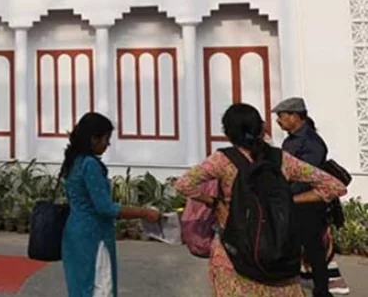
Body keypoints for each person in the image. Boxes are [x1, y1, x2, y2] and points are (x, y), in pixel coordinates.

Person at [175, 103, 346, 297]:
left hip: (233, 255)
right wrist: (291, 200)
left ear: (228, 132)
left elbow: (183, 184)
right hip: (278, 253)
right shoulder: (282, 159)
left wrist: (213, 202)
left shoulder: (222, 160)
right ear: (260, 127)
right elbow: (335, 186)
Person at [61, 112, 160, 297]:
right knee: (99, 287)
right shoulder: (90, 165)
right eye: (106, 138)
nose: (108, 144)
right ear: (94, 139)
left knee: (80, 287)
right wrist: (143, 213)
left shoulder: (73, 161)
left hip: (74, 232)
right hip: (94, 235)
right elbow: (105, 208)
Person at [274, 97, 349, 296]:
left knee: (313, 247)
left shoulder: (312, 143)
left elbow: (307, 175)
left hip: (307, 203)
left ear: (295, 116)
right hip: (292, 201)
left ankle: (322, 290)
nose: (278, 121)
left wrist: (286, 192)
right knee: (293, 247)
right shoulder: (291, 140)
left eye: (281, 116)